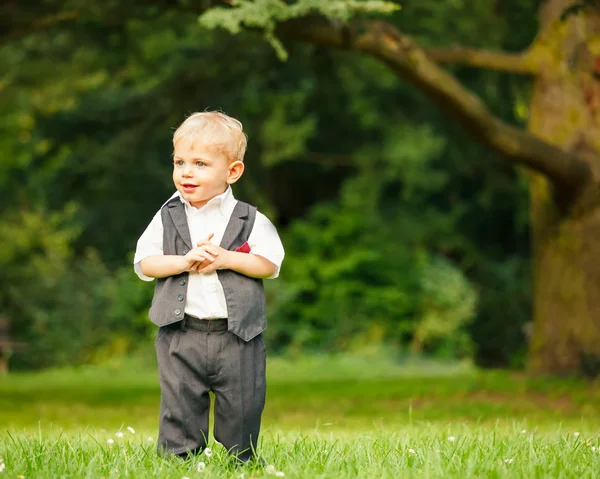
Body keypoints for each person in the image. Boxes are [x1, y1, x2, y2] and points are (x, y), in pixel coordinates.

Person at [133, 111, 285, 462]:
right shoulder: (167, 215)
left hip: (237, 335)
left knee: (243, 403)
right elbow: (145, 263)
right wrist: (185, 261)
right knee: (180, 402)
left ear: (232, 171)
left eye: (200, 163)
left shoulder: (250, 218)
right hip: (180, 332)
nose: (186, 172)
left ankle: (240, 460)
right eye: (180, 162)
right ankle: (178, 460)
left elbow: (270, 264)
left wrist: (227, 258)